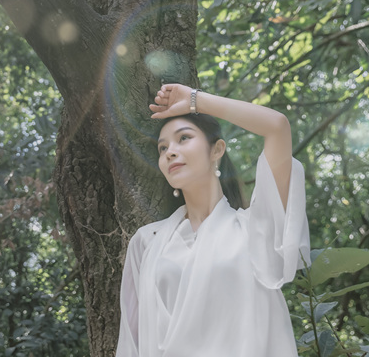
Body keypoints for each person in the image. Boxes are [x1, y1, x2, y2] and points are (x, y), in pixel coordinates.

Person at [115, 83, 311, 357]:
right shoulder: (147, 242)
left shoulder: (254, 230)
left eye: (184, 138)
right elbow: (132, 343)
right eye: (162, 148)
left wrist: (195, 100)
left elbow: (277, 126)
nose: (170, 151)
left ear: (217, 150)